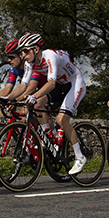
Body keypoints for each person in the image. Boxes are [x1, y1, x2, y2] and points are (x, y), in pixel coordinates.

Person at [17, 33, 88, 175]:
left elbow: (51, 83)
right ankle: (50, 136)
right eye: (21, 52)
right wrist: (5, 98)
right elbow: (23, 86)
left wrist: (34, 95)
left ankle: (80, 157)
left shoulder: (50, 56)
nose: (22, 55)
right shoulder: (29, 64)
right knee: (37, 105)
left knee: (62, 119)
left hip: (74, 83)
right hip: (61, 87)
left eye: (25, 51)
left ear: (36, 49)